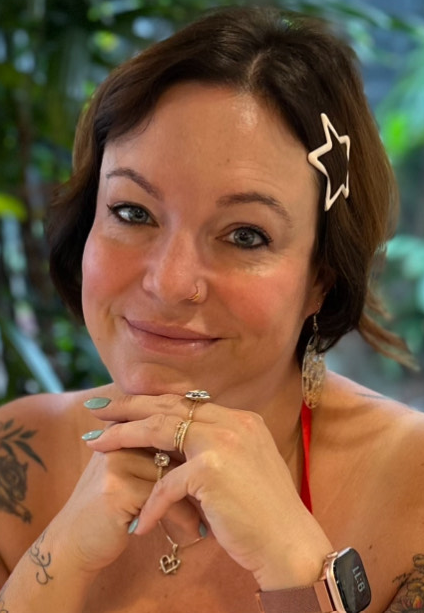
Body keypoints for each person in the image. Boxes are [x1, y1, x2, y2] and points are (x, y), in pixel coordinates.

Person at [0, 6, 422, 612]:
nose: (170, 283)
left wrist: (301, 572)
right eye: (132, 212)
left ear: (321, 279)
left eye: (245, 235)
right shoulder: (19, 457)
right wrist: (59, 558)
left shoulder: (412, 488)